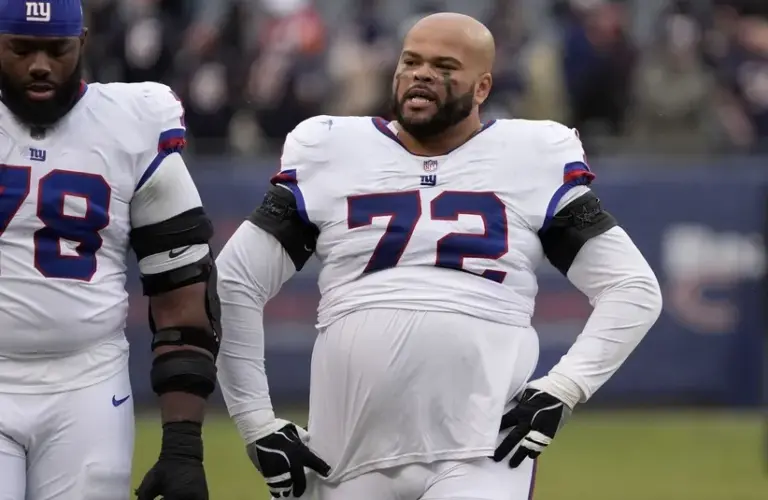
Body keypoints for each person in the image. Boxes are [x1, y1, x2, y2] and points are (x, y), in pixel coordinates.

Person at [215, 11, 663, 500]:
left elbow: (632, 288)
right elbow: (234, 281)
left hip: (481, 450)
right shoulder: (330, 148)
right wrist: (255, 420)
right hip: (344, 453)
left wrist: (563, 389)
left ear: (482, 87)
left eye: (446, 66)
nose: (422, 73)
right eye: (411, 60)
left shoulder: (532, 154)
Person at [0, 2, 219, 499]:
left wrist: (182, 443)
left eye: (56, 49)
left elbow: (183, 290)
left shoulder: (131, 122)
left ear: (81, 41)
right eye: (21, 49)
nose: (39, 64)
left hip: (87, 383)